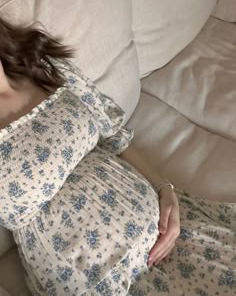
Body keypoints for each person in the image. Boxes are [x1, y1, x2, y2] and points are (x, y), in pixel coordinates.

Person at [0, 18, 235, 296]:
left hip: (170, 234)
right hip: (104, 283)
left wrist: (165, 189)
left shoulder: (46, 68)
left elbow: (114, 134)